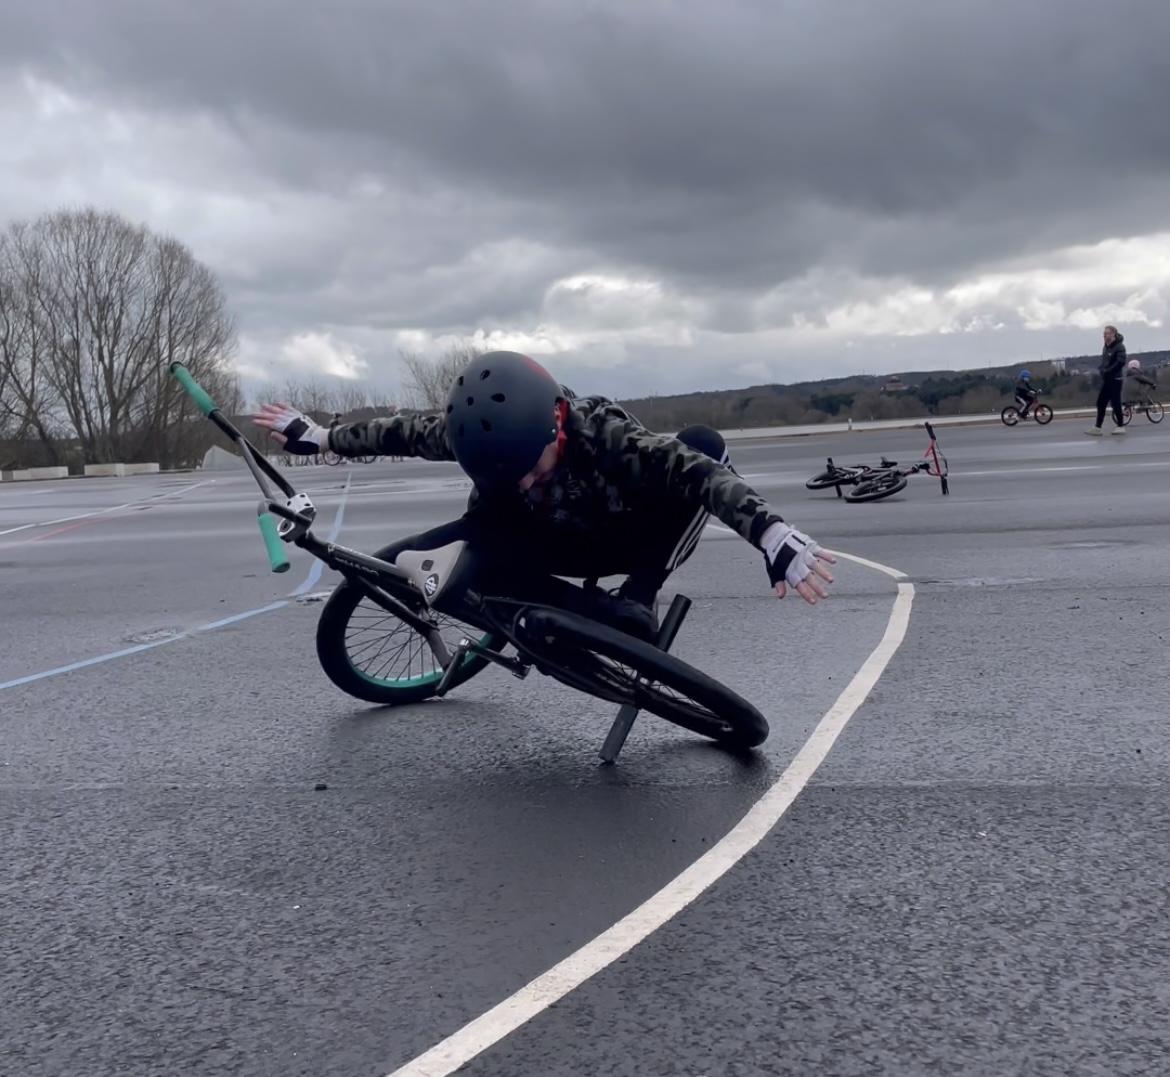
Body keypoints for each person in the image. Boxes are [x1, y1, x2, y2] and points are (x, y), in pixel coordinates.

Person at [253, 350, 835, 641]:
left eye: (533, 469)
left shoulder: (603, 431)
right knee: (441, 546)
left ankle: (637, 598)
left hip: (620, 537)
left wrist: (770, 532)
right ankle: (488, 583)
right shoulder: (470, 433)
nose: (528, 480)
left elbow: (699, 475)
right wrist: (322, 437)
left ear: (557, 428)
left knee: (703, 447)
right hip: (538, 538)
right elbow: (400, 430)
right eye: (514, 476)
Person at [1087, 325, 1127, 435]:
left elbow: (1120, 362)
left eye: (1107, 334)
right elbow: (1105, 362)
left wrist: (1108, 370)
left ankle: (1120, 426)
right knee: (1101, 402)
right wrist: (1101, 369)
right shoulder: (1106, 347)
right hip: (1107, 379)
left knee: (1115, 403)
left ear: (1114, 334)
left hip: (1116, 379)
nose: (1104, 336)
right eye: (1104, 334)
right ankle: (1097, 427)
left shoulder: (1119, 347)